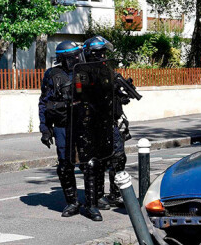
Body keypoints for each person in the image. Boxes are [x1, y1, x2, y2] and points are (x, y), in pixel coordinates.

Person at [83, 36, 141, 208]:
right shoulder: (85, 73)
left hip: (111, 122)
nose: (104, 57)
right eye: (101, 53)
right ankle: (98, 196)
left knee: (118, 158)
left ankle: (115, 194)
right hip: (94, 125)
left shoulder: (107, 71)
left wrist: (120, 96)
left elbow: (110, 96)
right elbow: (89, 97)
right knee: (98, 160)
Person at [38, 41, 84, 217]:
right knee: (65, 165)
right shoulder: (52, 75)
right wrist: (44, 128)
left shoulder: (86, 71)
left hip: (84, 125)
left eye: (77, 55)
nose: (76, 58)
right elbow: (44, 102)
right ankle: (72, 202)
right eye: (72, 56)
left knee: (90, 164)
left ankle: (94, 200)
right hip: (62, 126)